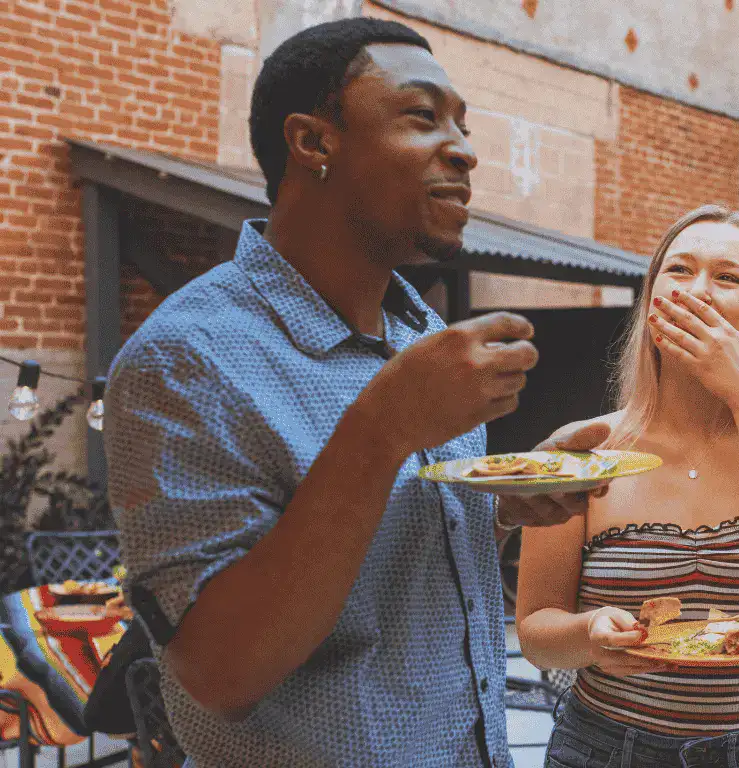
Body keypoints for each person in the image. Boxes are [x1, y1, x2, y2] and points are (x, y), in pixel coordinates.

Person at [103, 18, 604, 767]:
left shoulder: (420, 334)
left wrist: (497, 506)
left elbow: (387, 569)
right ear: (313, 143)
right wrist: (381, 429)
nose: (465, 150)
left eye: (463, 126)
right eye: (420, 115)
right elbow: (218, 672)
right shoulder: (185, 359)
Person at [508, 205, 739, 768]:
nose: (698, 291)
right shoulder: (591, 447)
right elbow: (536, 628)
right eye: (679, 270)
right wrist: (588, 635)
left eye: (728, 277)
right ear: (650, 304)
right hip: (604, 748)